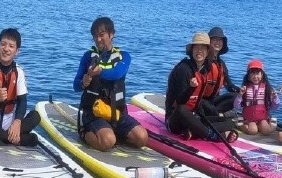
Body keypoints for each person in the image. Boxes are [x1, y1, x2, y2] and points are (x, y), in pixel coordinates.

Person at [73, 16, 148, 150]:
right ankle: (85, 134)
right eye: (95, 36)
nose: (98, 39)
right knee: (107, 142)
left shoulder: (124, 56)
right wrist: (83, 83)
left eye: (101, 35)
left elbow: (117, 73)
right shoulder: (87, 57)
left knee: (142, 138)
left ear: (111, 34)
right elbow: (76, 85)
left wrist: (99, 71)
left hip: (118, 113)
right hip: (94, 113)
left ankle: (113, 134)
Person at [164, 31, 238, 143]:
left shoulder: (204, 70)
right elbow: (180, 102)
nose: (199, 51)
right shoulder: (183, 70)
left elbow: (198, 102)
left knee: (230, 123)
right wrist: (191, 88)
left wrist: (204, 118)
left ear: (208, 51)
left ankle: (192, 132)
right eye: (196, 48)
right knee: (182, 109)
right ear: (192, 51)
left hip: (193, 117)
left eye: (203, 48)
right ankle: (212, 136)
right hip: (175, 119)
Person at [234, 58, 280, 135]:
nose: (255, 76)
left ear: (262, 75)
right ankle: (240, 122)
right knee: (252, 131)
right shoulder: (245, 88)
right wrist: (240, 95)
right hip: (249, 118)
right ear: (248, 76)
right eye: (252, 73)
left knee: (267, 132)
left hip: (262, 118)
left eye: (257, 73)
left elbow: (274, 108)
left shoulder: (268, 89)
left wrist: (275, 98)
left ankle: (271, 122)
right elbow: (237, 106)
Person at [206, 26, 240, 113]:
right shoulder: (202, 62)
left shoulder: (221, 64)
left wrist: (242, 91)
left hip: (215, 100)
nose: (218, 42)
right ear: (209, 42)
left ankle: (213, 113)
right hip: (201, 100)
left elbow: (229, 86)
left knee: (236, 96)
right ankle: (210, 113)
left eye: (220, 40)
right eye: (215, 39)